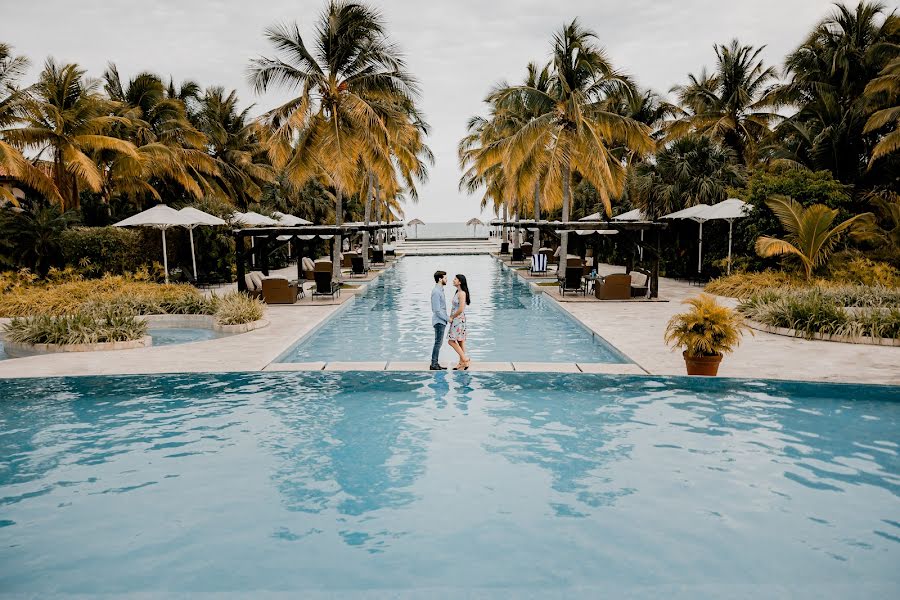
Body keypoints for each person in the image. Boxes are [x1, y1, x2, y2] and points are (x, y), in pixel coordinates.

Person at [447, 274, 471, 370]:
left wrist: (452, 317)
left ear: (460, 282)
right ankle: (462, 363)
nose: (453, 280)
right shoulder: (458, 291)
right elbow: (454, 307)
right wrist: (450, 317)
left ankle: (465, 359)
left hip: (458, 319)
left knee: (451, 341)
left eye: (455, 279)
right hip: (456, 319)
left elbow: (461, 308)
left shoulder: (462, 293)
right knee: (460, 341)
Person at [430, 270, 448, 370]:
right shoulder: (436, 292)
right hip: (439, 321)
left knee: (439, 343)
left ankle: (435, 363)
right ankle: (434, 364)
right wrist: (447, 319)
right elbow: (436, 310)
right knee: (438, 343)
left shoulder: (440, 290)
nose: (446, 280)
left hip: (441, 321)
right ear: (440, 279)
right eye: (445, 278)